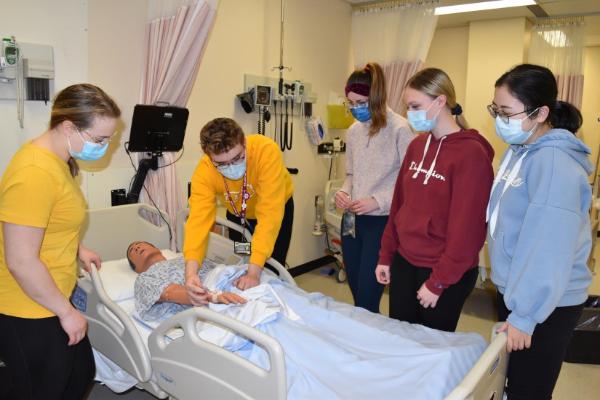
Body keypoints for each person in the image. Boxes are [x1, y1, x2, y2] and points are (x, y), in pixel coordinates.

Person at [0, 84, 121, 400]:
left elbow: (50, 219)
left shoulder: (58, 160)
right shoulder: (34, 173)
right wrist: (65, 312)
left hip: (49, 294)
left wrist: (78, 248)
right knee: (43, 389)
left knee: (79, 375)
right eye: (100, 139)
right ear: (68, 127)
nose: (105, 147)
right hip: (28, 305)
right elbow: (21, 260)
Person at [487, 63, 593, 399]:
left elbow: (547, 247)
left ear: (540, 112)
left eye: (506, 111)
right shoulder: (519, 151)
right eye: (495, 109)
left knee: (528, 390)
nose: (499, 119)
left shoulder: (554, 163)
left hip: (546, 303)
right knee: (514, 382)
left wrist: (525, 315)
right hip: (520, 292)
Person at [375, 68, 494, 332]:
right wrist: (386, 255)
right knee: (401, 337)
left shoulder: (471, 154)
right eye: (407, 107)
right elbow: (399, 206)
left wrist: (438, 281)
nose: (409, 114)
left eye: (415, 106)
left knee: (432, 349)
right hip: (406, 260)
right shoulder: (417, 146)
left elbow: (468, 230)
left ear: (440, 101)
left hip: (444, 270)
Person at [184, 118, 294, 304]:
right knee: (239, 260)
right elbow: (198, 221)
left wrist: (254, 272)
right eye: (222, 164)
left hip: (275, 209)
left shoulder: (265, 151)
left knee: (269, 269)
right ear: (209, 157)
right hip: (237, 213)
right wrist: (190, 273)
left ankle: (271, 306)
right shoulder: (205, 171)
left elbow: (269, 215)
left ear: (244, 143)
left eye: (237, 158)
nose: (231, 167)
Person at [335, 62, 414, 313]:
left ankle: (369, 343)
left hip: (381, 221)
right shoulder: (354, 132)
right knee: (357, 292)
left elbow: (409, 181)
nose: (356, 109)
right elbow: (351, 174)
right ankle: (364, 336)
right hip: (351, 219)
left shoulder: (400, 128)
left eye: (361, 102)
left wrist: (378, 201)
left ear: (377, 97)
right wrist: (344, 191)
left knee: (369, 294)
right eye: (351, 103)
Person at [127, 241, 246, 321]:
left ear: (157, 249)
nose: (137, 247)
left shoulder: (188, 258)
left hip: (236, 282)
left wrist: (248, 273)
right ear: (136, 269)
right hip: (214, 300)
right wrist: (214, 297)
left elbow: (220, 268)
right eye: (132, 250)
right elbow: (170, 292)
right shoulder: (144, 279)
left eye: (139, 244)